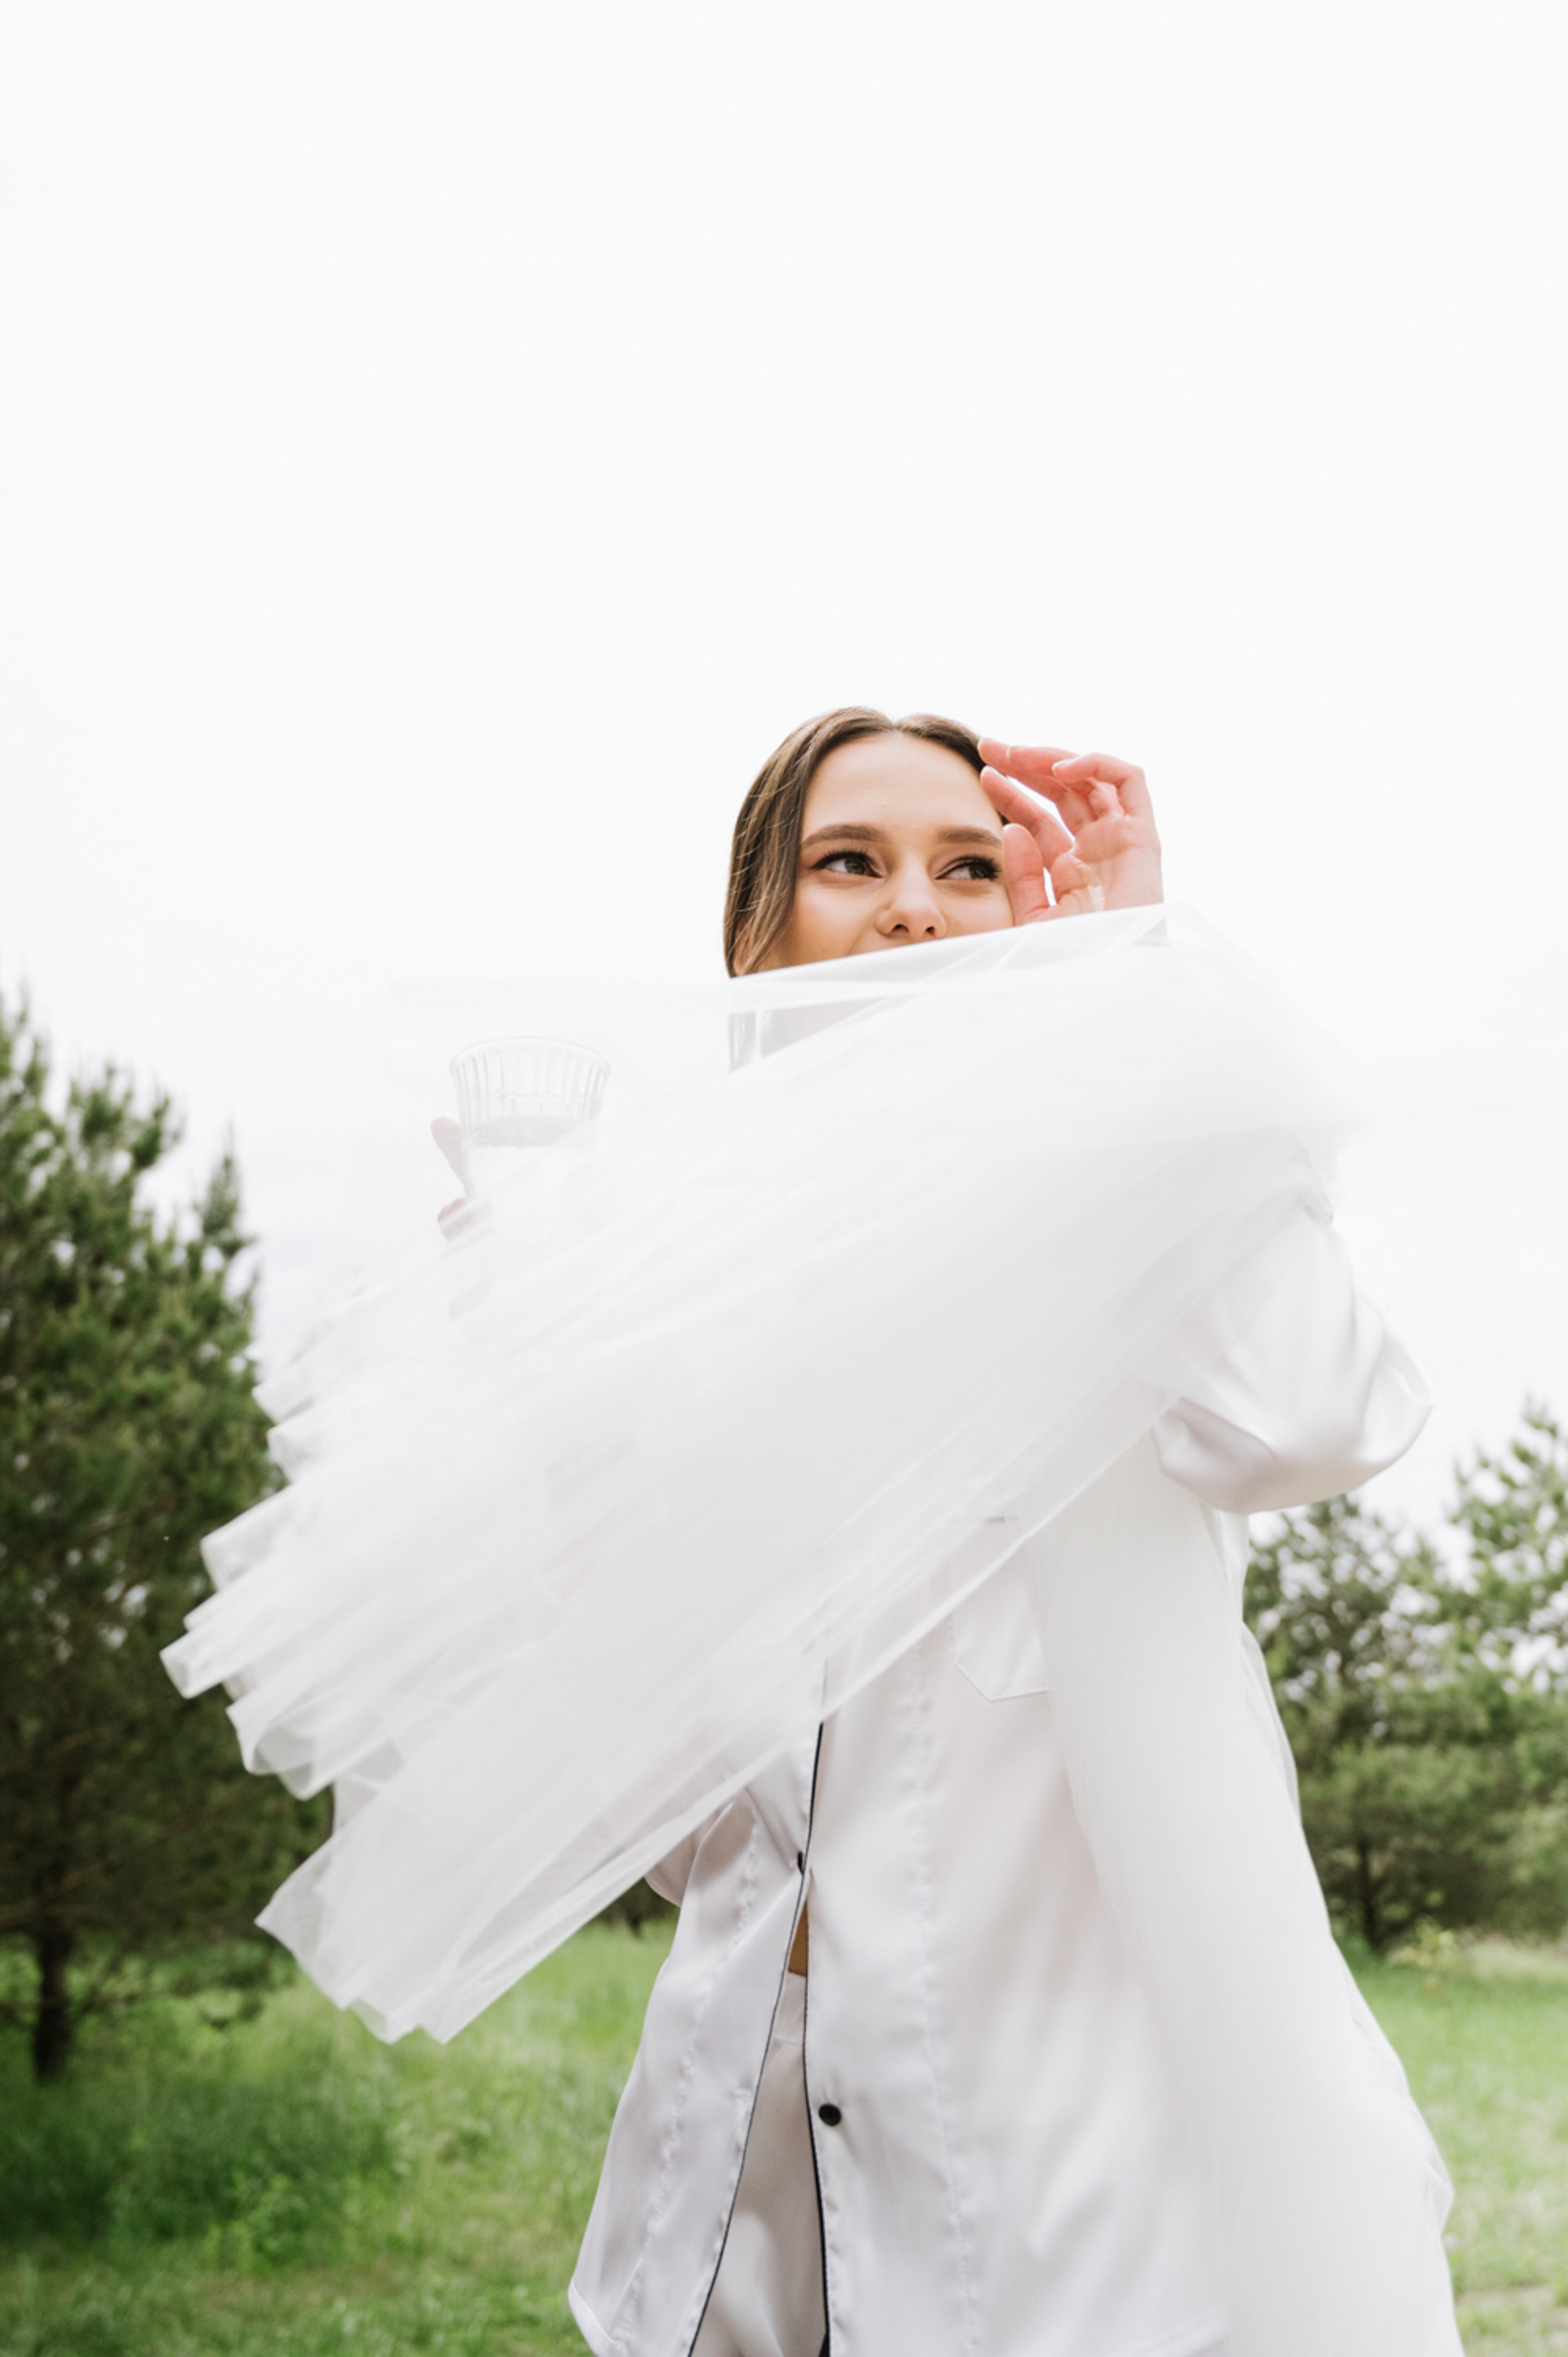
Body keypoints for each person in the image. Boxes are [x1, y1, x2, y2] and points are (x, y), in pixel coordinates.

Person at [565, 709, 1456, 2357]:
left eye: (967, 868)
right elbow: (679, 1835)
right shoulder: (690, 1307)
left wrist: (1132, 992)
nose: (910, 906)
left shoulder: (1111, 1224)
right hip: (719, 2226)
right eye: (850, 862)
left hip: (1059, 2235)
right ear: (756, 939)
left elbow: (1315, 1415)